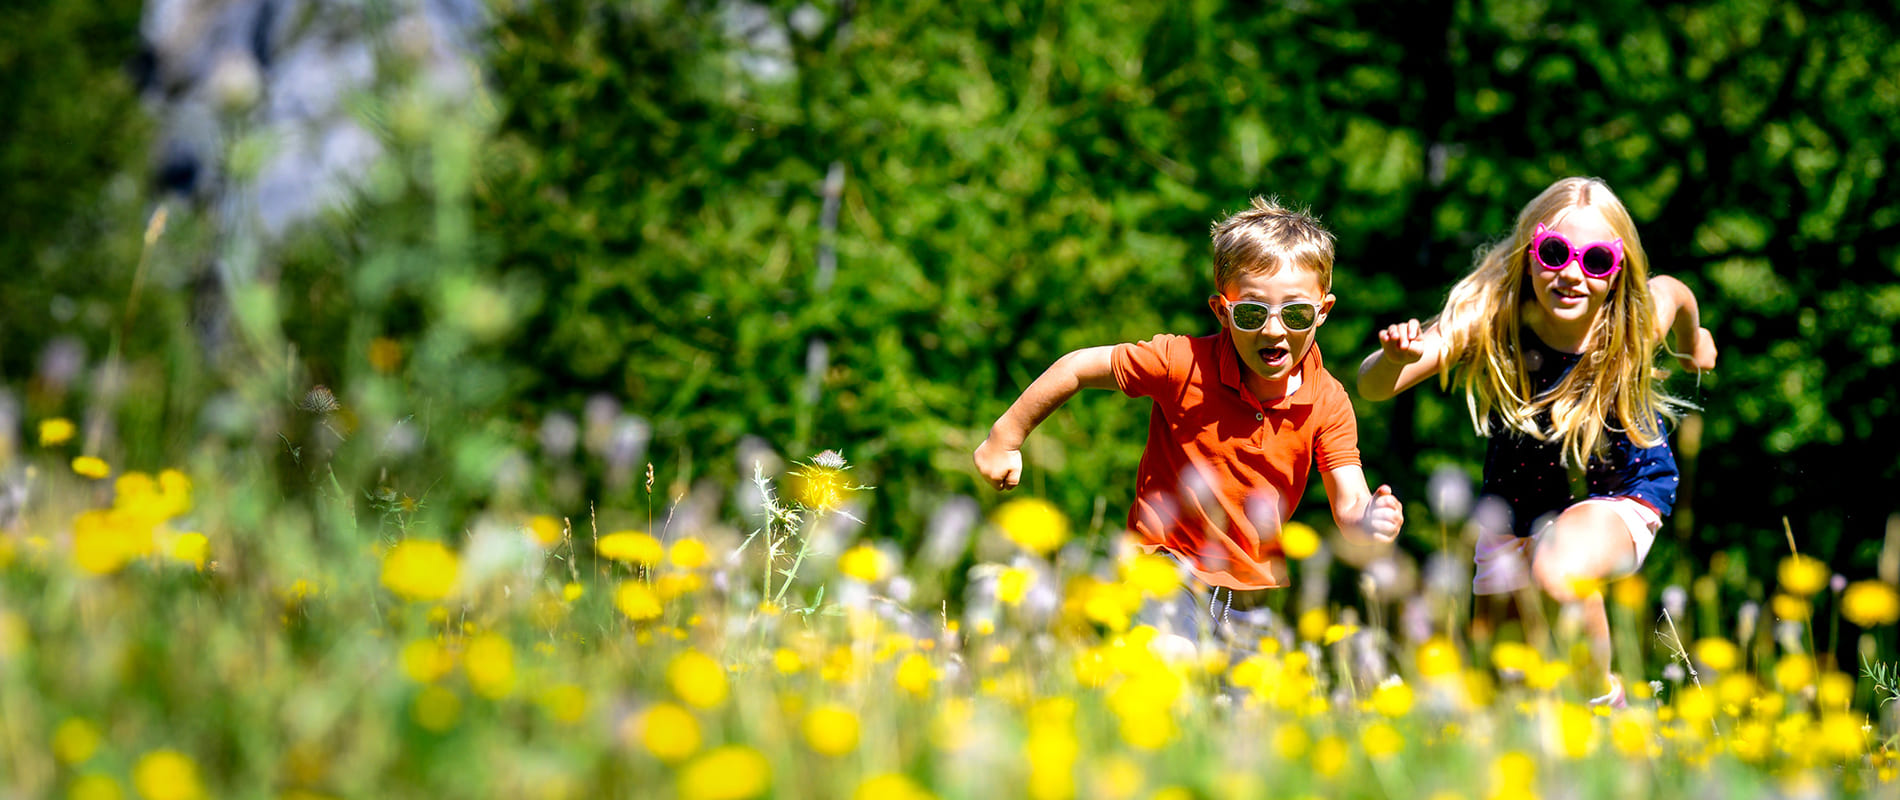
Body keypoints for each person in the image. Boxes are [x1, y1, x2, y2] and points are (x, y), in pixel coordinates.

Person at [1356, 176, 1717, 707]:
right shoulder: (1492, 318)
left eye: (1595, 261)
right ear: (1530, 252)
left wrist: (1694, 341)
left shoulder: (1632, 326)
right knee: (1497, 681)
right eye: (1554, 252)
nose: (1572, 273)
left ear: (1616, 273)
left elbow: (1677, 292)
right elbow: (1372, 387)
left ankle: (1605, 707)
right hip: (1514, 510)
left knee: (1559, 567)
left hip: (1623, 494)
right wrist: (1393, 360)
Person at [974, 197, 1405, 624]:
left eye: (1295, 313)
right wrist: (1005, 438)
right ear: (1222, 310)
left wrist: (1369, 522)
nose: (1274, 328)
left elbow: (1349, 502)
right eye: (1252, 312)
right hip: (1164, 569)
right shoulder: (1181, 363)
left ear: (1323, 311)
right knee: (1171, 673)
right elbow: (1078, 367)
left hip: (1252, 595)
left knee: (1244, 695)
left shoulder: (1328, 400)